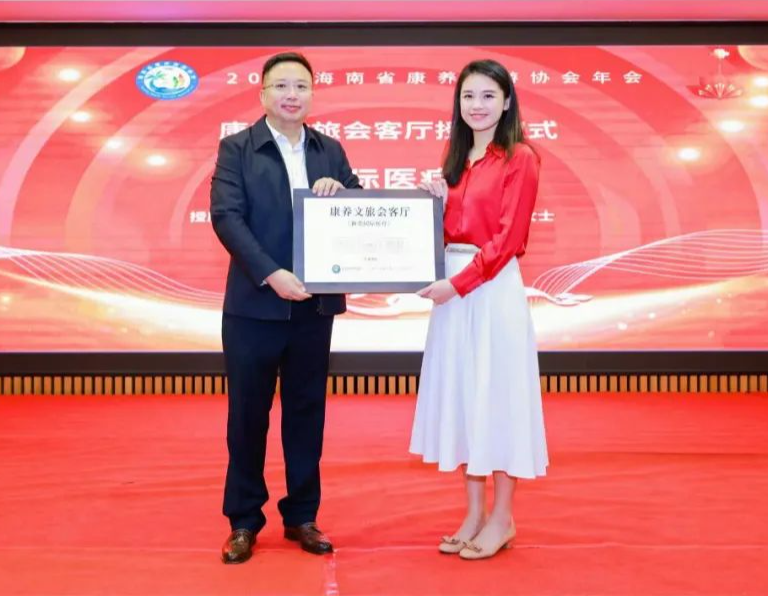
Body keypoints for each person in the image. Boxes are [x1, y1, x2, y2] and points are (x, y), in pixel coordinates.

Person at [210, 51, 360, 564]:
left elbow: (361, 211)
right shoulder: (236, 148)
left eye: (301, 86)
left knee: (306, 413)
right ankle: (243, 520)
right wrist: (271, 274)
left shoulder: (330, 150)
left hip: (314, 309)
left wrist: (342, 194)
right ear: (262, 94)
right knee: (247, 417)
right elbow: (227, 218)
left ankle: (302, 515)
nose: (291, 95)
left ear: (313, 94)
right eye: (281, 86)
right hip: (254, 306)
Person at [410, 59, 549, 560]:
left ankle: (502, 517)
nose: (477, 105)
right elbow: (452, 231)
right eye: (468, 95)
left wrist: (458, 284)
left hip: (489, 290)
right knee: (467, 399)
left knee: (498, 398)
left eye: (489, 95)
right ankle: (473, 514)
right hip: (453, 291)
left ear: (507, 101)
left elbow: (508, 239)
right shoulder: (455, 156)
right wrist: (432, 206)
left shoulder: (520, 157)